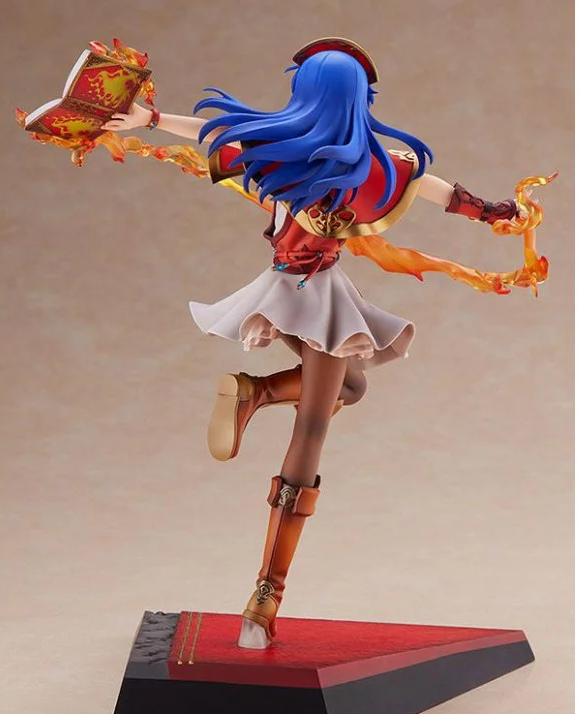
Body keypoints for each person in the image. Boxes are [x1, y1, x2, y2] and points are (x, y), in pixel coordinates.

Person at [102, 38, 524, 649]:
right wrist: (491, 212)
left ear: (303, 93)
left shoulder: (277, 148)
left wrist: (150, 120)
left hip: (287, 285)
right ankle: (265, 596)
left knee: (353, 386)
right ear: (359, 100)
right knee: (314, 427)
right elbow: (438, 190)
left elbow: (212, 132)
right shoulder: (378, 166)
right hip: (317, 294)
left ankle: (256, 392)